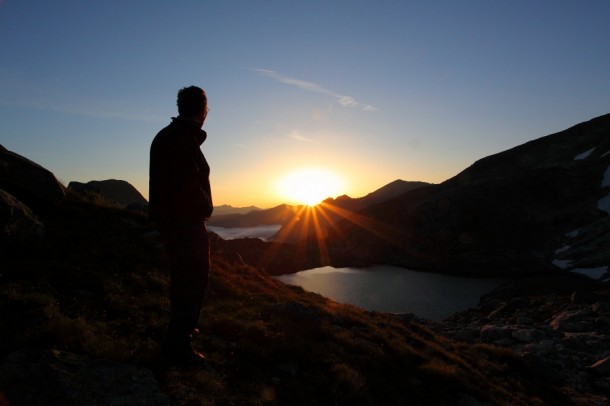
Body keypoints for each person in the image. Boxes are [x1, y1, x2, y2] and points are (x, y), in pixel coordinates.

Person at [149, 86, 213, 366]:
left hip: (171, 222)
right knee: (193, 280)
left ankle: (177, 338)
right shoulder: (183, 139)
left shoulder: (166, 136)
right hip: (186, 223)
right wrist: (204, 208)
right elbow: (188, 183)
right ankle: (179, 345)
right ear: (204, 110)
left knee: (182, 280)